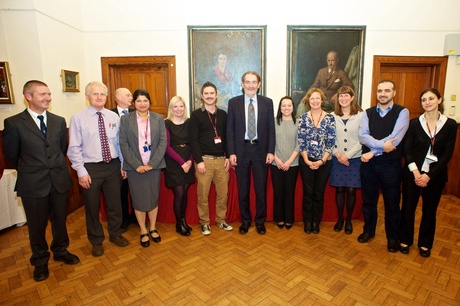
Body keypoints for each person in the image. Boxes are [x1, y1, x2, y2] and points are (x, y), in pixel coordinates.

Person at [3, 80, 79, 282]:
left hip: (59, 181)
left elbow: (61, 149)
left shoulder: (58, 120)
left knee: (60, 221)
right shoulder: (14, 123)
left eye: (49, 94)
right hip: (33, 183)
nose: (47, 98)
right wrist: (33, 170)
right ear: (28, 96)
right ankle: (40, 260)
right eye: (42, 94)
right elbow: (13, 155)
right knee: (36, 226)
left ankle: (61, 250)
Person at [68, 81, 129, 257]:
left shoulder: (114, 117)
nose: (99, 97)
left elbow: (119, 143)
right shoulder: (78, 118)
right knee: (93, 207)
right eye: (95, 94)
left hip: (113, 166)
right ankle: (96, 241)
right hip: (90, 168)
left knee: (115, 204)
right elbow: (74, 148)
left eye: (102, 94)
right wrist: (81, 171)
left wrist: (123, 164)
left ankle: (115, 234)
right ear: (87, 96)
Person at [399, 88, 457, 257]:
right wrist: (416, 173)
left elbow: (447, 154)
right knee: (408, 208)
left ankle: (425, 243)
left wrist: (428, 175)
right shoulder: (414, 123)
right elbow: (407, 150)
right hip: (412, 174)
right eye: (424, 100)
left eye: (431, 98)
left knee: (430, 210)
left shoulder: (450, 125)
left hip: (436, 176)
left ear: (439, 100)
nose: (427, 102)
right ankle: (405, 240)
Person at [358, 79, 410, 253]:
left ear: (394, 92)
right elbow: (363, 136)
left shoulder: (402, 112)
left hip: (391, 166)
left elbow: (395, 138)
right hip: (369, 167)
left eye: (387, 90)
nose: (383, 94)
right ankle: (369, 231)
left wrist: (372, 152)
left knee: (392, 203)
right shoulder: (368, 113)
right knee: (369, 202)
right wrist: (381, 146)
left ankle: (392, 238)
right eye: (380, 91)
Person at [227, 71, 275, 235]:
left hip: (261, 151)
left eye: (254, 82)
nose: (251, 85)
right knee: (243, 189)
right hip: (242, 151)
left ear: (259, 85)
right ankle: (246, 221)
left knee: (261, 189)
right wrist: (231, 152)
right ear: (242, 84)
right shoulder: (233, 103)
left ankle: (260, 222)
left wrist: (270, 151)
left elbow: (271, 129)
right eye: (247, 82)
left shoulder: (267, 102)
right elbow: (230, 130)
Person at [119, 89, 166, 247]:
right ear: (134, 103)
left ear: (150, 103)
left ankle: (152, 227)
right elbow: (123, 144)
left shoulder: (158, 118)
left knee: (153, 197)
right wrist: (136, 165)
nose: (142, 103)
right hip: (135, 168)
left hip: (154, 166)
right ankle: (143, 230)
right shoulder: (126, 119)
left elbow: (162, 143)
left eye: (145, 100)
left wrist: (152, 164)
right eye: (138, 100)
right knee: (138, 199)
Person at [190, 82, 233, 236]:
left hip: (222, 161)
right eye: (206, 93)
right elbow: (193, 140)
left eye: (211, 93)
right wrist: (199, 161)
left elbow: (228, 137)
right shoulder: (196, 115)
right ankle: (205, 223)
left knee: (223, 194)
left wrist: (227, 155)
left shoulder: (223, 115)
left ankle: (221, 220)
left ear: (216, 95)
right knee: (203, 195)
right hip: (204, 161)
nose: (209, 96)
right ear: (202, 96)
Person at [298, 88, 336, 234]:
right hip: (306, 160)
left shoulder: (330, 118)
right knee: (308, 193)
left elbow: (330, 142)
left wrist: (322, 161)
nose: (314, 101)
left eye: (317, 98)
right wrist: (307, 161)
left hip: (324, 162)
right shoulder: (302, 118)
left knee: (319, 193)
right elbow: (301, 141)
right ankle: (307, 222)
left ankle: (316, 222)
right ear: (308, 101)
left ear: (322, 100)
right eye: (312, 98)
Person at [330, 86, 363, 235]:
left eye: (346, 95)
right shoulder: (332, 116)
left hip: (354, 159)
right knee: (339, 189)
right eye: (341, 96)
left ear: (352, 97)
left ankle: (349, 220)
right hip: (337, 158)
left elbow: (362, 139)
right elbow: (329, 138)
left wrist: (347, 155)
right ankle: (340, 219)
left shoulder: (362, 115)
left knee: (350, 190)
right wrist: (337, 154)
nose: (343, 98)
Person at [164, 96, 195, 236]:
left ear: (184, 108)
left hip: (188, 161)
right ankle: (179, 223)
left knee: (185, 193)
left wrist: (190, 161)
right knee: (179, 194)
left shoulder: (190, 123)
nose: (178, 109)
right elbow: (167, 147)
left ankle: (183, 221)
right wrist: (182, 163)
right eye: (175, 106)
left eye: (181, 106)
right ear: (171, 108)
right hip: (174, 164)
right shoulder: (166, 123)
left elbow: (194, 143)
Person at [271, 96, 299, 230]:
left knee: (289, 192)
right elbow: (269, 142)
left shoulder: (298, 122)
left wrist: (288, 161)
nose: (286, 108)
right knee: (278, 191)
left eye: (289, 105)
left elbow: (300, 145)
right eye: (283, 105)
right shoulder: (273, 122)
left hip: (292, 163)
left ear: (293, 107)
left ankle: (289, 218)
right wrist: (277, 160)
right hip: (276, 163)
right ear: (280, 107)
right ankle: (279, 218)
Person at [111, 87, 137, 232]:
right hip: (117, 161)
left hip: (134, 160)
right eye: (127, 95)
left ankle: (135, 216)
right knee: (120, 191)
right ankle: (123, 219)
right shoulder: (109, 114)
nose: (131, 98)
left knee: (134, 190)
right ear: (118, 97)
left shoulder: (135, 114)